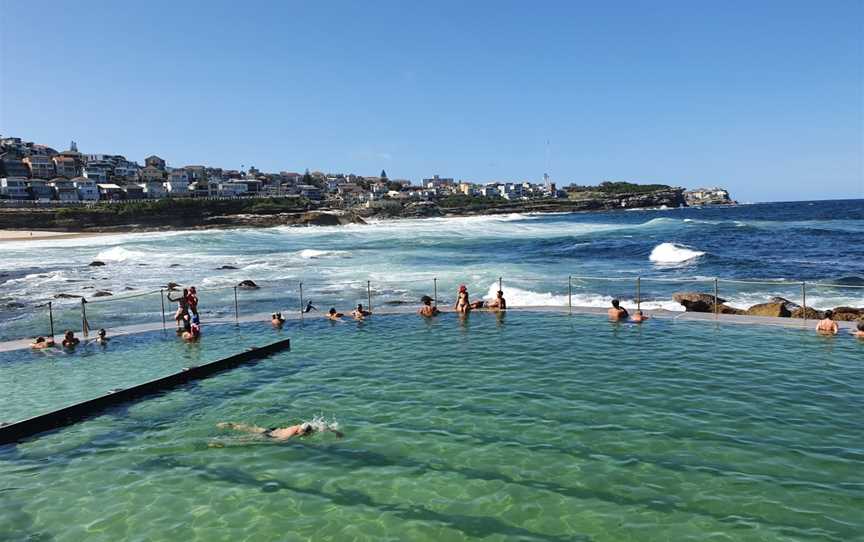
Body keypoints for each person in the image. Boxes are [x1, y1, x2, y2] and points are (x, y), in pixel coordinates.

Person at [217, 421, 343, 441]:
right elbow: (282, 440)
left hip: (274, 430)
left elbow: (324, 425)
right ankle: (227, 440)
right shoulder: (293, 432)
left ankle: (231, 425)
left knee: (252, 428)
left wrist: (336, 432)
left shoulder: (307, 426)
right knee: (249, 438)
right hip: (272, 435)